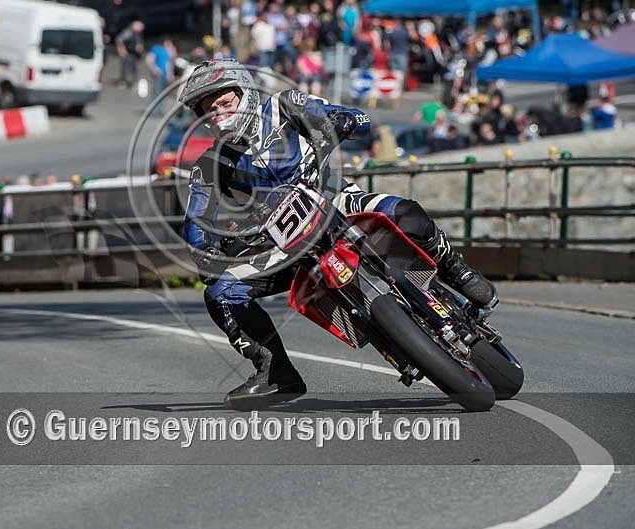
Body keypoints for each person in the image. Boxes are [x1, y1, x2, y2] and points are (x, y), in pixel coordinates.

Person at [177, 59, 498, 410]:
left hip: (337, 200)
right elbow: (197, 216)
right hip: (282, 241)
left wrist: (343, 121)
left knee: (403, 211)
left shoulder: (285, 104)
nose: (220, 115)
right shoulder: (209, 165)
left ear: (246, 93)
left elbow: (349, 116)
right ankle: (275, 373)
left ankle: (457, 271)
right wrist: (204, 250)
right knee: (221, 291)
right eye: (210, 111)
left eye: (225, 103)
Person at [145, 36, 176, 116]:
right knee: (157, 92)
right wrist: (153, 69)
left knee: (164, 93)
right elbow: (149, 60)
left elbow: (171, 62)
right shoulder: (156, 49)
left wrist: (171, 74)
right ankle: (154, 110)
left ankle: (160, 110)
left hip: (167, 75)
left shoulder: (169, 51)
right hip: (159, 74)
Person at [115, 20, 145, 89]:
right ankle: (123, 81)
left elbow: (139, 42)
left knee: (134, 68)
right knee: (125, 67)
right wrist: (122, 50)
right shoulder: (128, 32)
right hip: (128, 53)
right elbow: (119, 40)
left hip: (134, 54)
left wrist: (139, 46)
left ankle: (135, 81)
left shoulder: (138, 34)